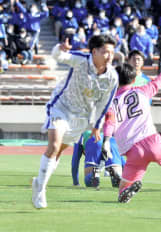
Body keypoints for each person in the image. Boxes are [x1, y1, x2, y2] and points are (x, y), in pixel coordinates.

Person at [31, 34, 118, 209]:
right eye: (105, 52)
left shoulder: (112, 77)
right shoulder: (81, 59)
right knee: (54, 146)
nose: (109, 56)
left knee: (59, 151)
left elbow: (104, 103)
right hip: (61, 107)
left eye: (111, 52)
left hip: (80, 118)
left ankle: (39, 181)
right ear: (94, 51)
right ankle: (41, 190)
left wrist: (96, 125)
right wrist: (59, 48)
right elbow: (60, 56)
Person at [102, 42, 161, 203]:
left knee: (121, 194)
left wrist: (106, 141)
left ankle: (127, 189)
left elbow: (110, 122)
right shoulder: (144, 90)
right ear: (134, 78)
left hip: (132, 151)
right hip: (152, 142)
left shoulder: (112, 102)